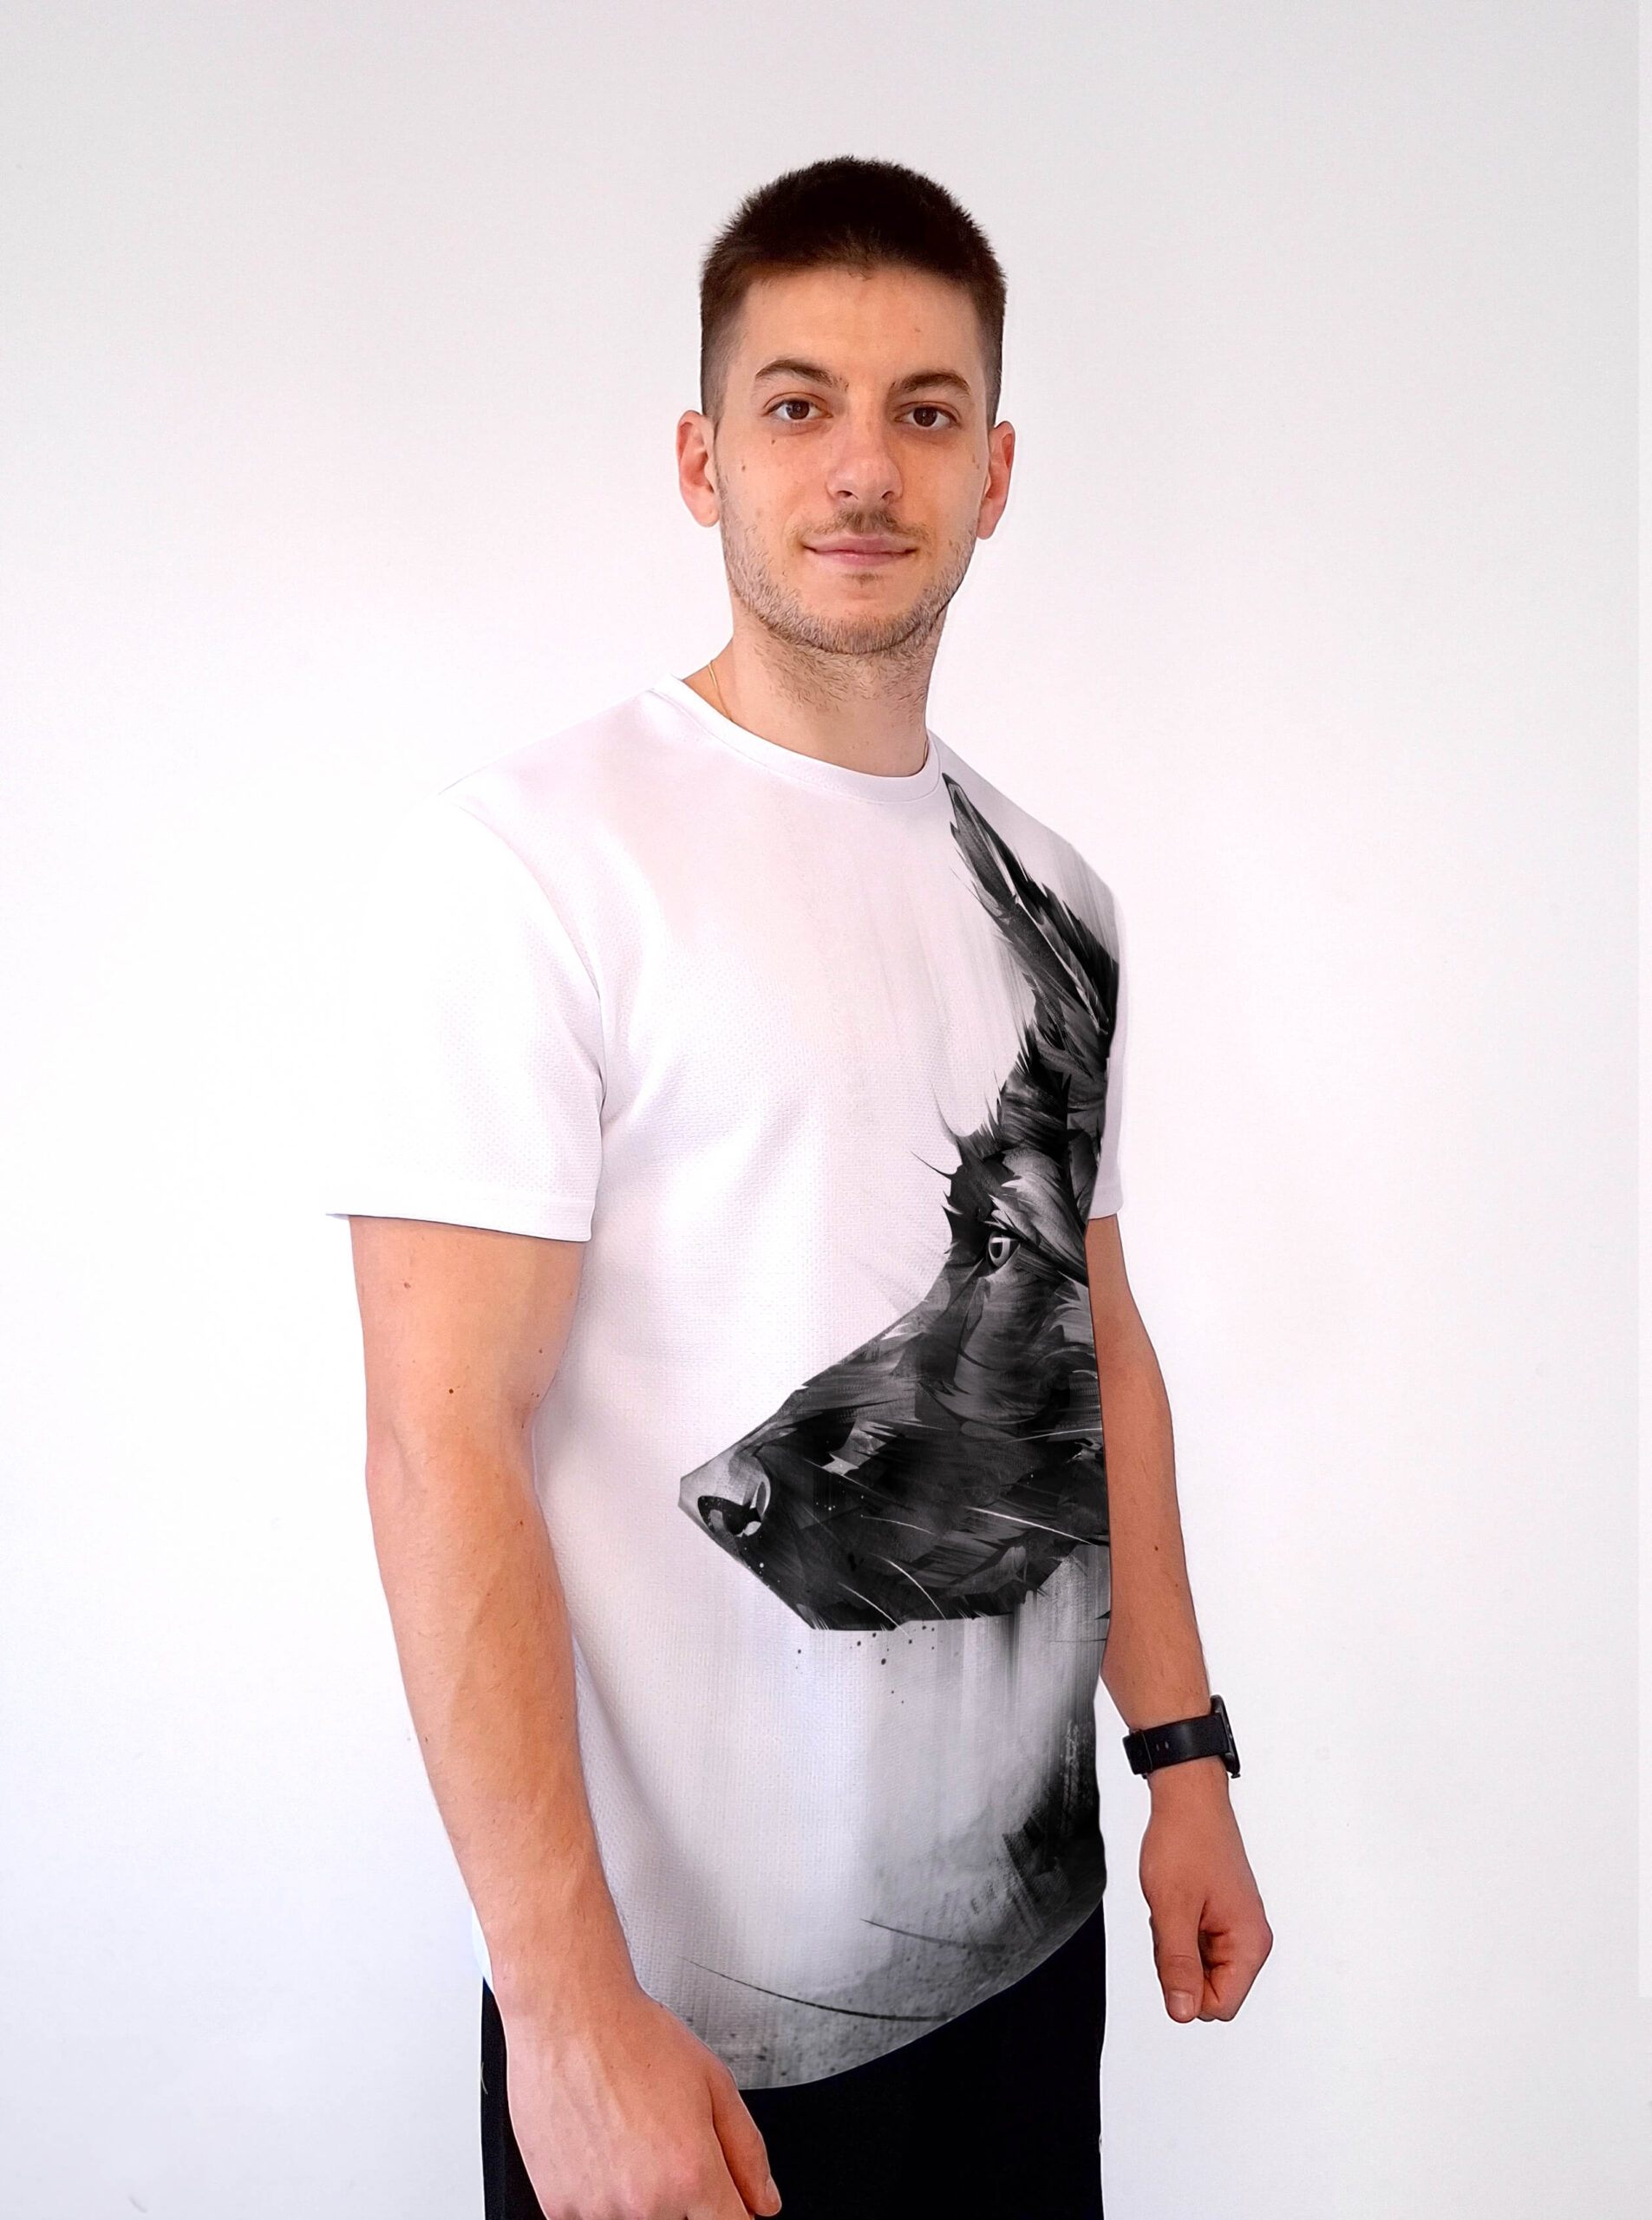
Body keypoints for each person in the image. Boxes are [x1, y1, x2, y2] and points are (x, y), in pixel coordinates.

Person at [330, 155, 1271, 2220]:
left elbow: (1092, 1345)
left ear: (994, 470)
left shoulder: (1058, 896)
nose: (861, 466)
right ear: (702, 459)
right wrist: (563, 2012)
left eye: (923, 410)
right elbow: (435, 1438)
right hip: (682, 2029)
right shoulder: (527, 864)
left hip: (1016, 1958)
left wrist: (1179, 1749)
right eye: (795, 403)